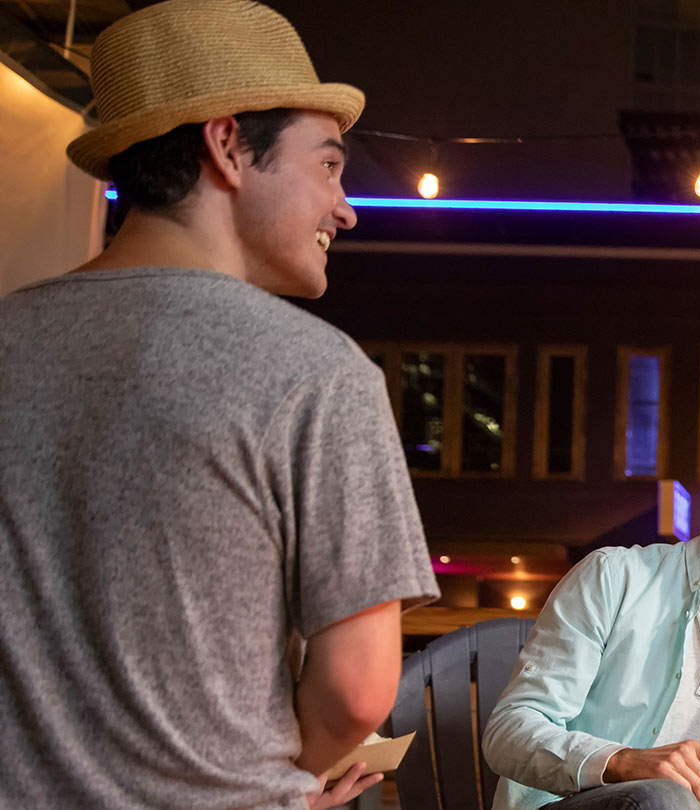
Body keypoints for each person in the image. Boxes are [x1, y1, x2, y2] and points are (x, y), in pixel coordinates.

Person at [0, 1, 440, 807]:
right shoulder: (317, 372)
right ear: (229, 145)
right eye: (330, 166)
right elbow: (358, 690)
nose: (345, 208)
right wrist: (284, 783)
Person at [485, 419, 700, 810]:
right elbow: (509, 731)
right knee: (661, 797)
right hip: (568, 803)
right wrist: (624, 762)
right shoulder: (614, 577)